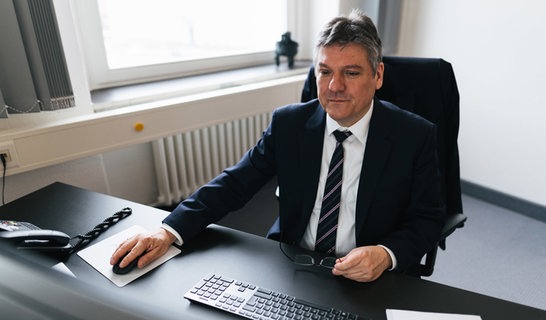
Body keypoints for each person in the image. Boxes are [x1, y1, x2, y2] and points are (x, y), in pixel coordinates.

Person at [110, 10, 445, 282]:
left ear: (378, 75)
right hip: (291, 262)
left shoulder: (415, 136)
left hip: (368, 275)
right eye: (324, 71)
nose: (334, 86)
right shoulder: (290, 124)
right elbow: (235, 183)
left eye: (352, 73)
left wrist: (385, 255)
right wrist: (169, 230)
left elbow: (428, 219)